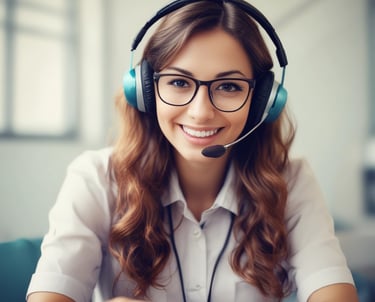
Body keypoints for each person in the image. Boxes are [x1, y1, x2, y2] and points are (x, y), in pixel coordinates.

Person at [27, 1, 359, 301]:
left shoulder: (292, 180)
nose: (201, 112)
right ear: (145, 89)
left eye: (229, 86)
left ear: (262, 103)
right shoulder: (96, 178)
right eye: (178, 82)